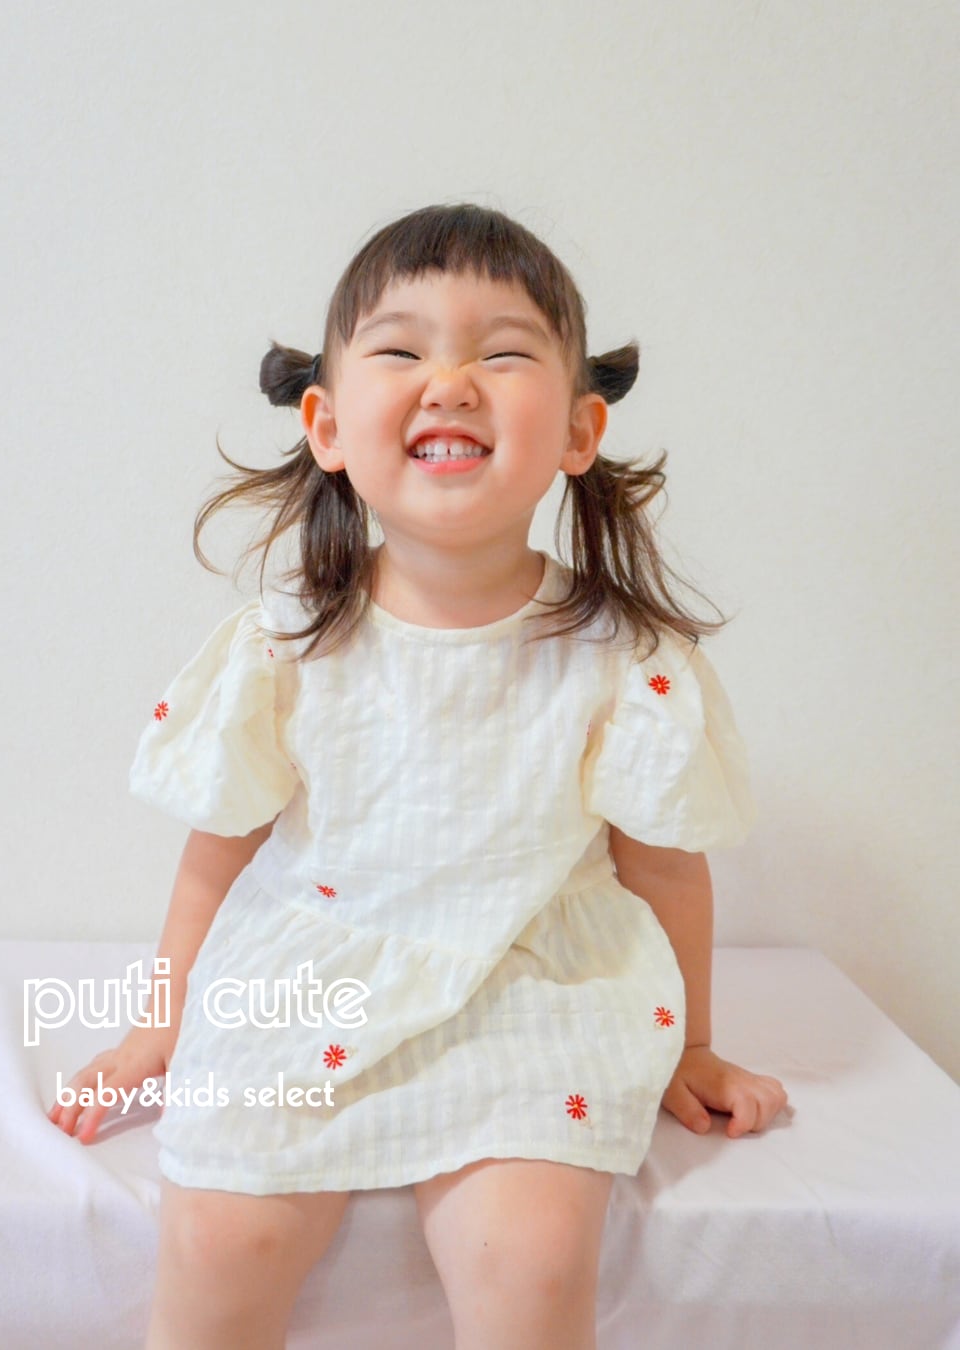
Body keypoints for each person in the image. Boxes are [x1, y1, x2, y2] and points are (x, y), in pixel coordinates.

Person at [47, 202, 789, 1350]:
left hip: (533, 977)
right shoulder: (287, 643)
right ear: (328, 424)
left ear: (580, 429)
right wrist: (160, 1025)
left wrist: (690, 1044)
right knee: (220, 1238)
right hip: (313, 970)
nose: (450, 382)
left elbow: (663, 867)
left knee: (529, 1259)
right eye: (402, 351)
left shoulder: (619, 656)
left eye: (503, 353)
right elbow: (218, 850)